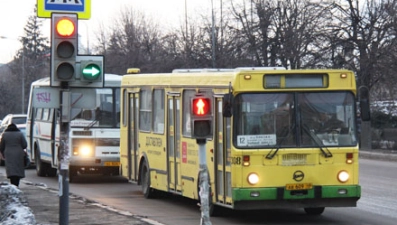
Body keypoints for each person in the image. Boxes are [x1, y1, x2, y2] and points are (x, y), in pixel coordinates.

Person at [0, 123, 28, 187]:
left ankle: (12, 181)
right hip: (19, 153)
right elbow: (24, 145)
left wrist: (2, 153)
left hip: (8, 153)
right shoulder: (20, 134)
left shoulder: (5, 135)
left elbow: (1, 146)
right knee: (18, 168)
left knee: (11, 168)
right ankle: (17, 182)